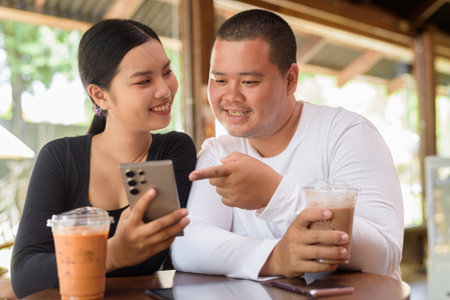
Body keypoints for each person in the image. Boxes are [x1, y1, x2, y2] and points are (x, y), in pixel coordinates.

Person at [171, 9, 403, 280]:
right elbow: (188, 243)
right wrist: (276, 257)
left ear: (290, 80)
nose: (230, 96)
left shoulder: (345, 133)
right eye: (219, 80)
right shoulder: (218, 151)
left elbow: (384, 256)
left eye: (249, 81)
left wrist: (276, 195)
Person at [11, 19, 196, 298]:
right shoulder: (60, 158)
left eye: (167, 71)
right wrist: (114, 253)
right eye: (144, 80)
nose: (165, 89)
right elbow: (26, 274)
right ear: (100, 96)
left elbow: (161, 248)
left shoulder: (172, 151)